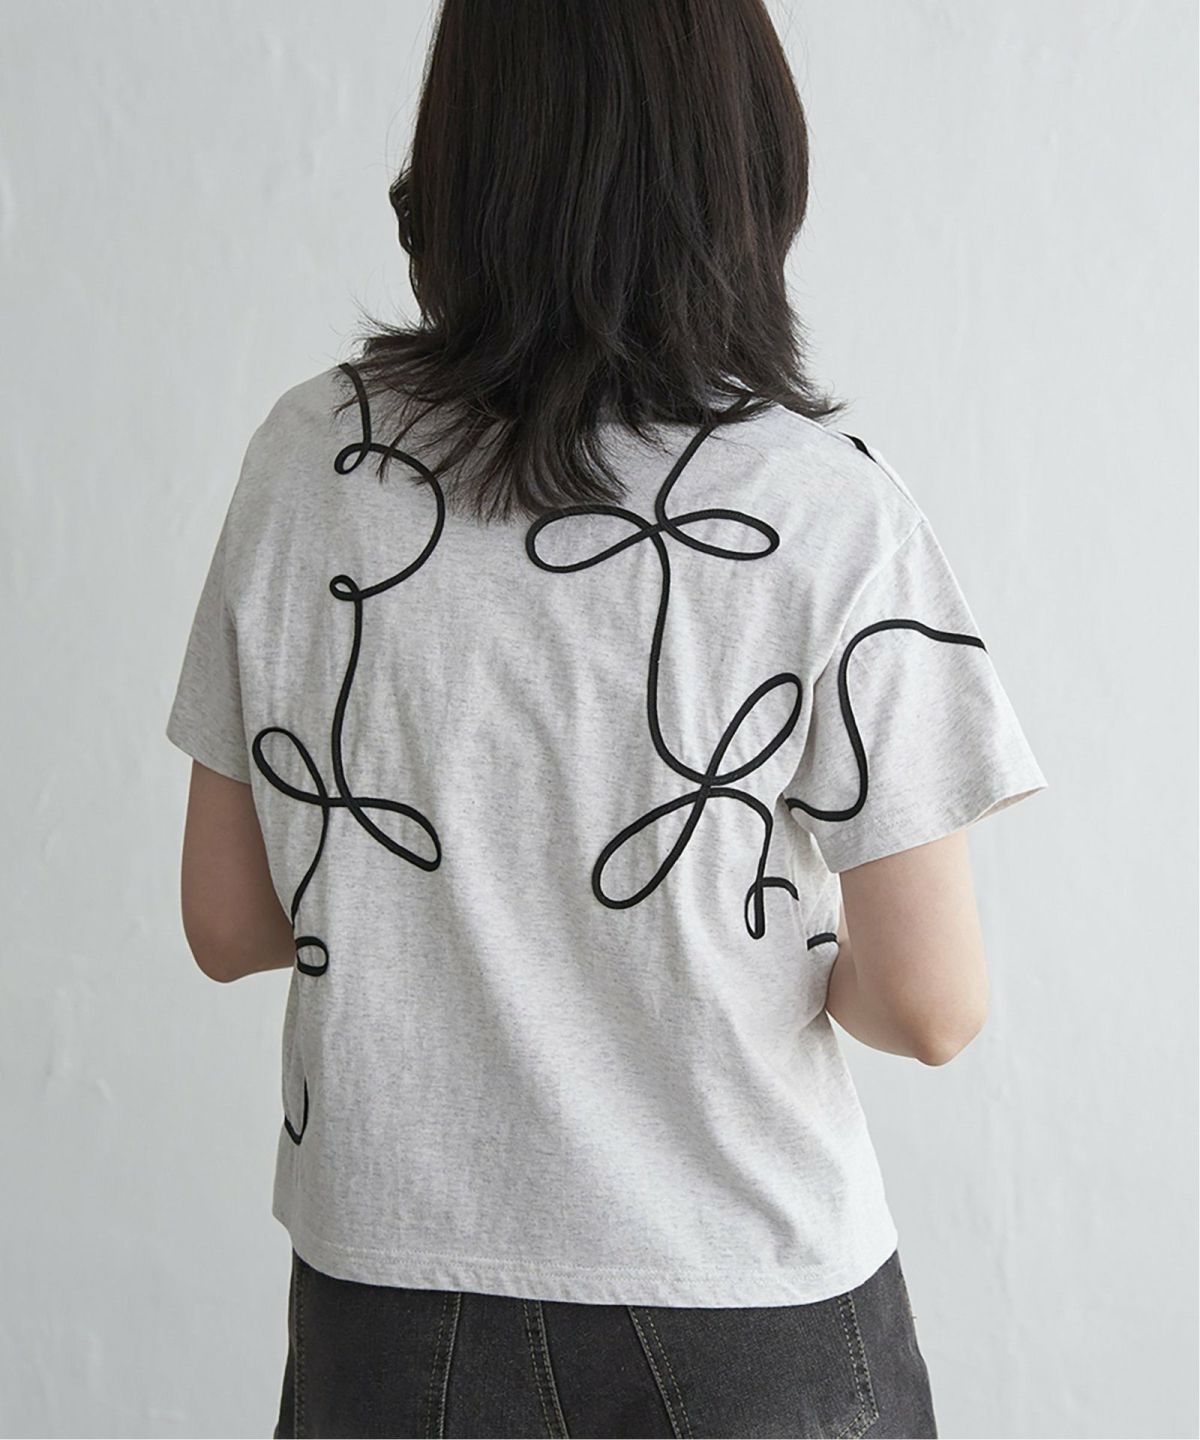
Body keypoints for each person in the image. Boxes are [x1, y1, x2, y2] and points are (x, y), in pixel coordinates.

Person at [165, 2, 1048, 1436]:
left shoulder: (314, 462)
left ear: (465, 155)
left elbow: (228, 923)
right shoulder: (823, 504)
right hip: (753, 1297)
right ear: (744, 161)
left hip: (389, 1303)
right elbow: (931, 1007)